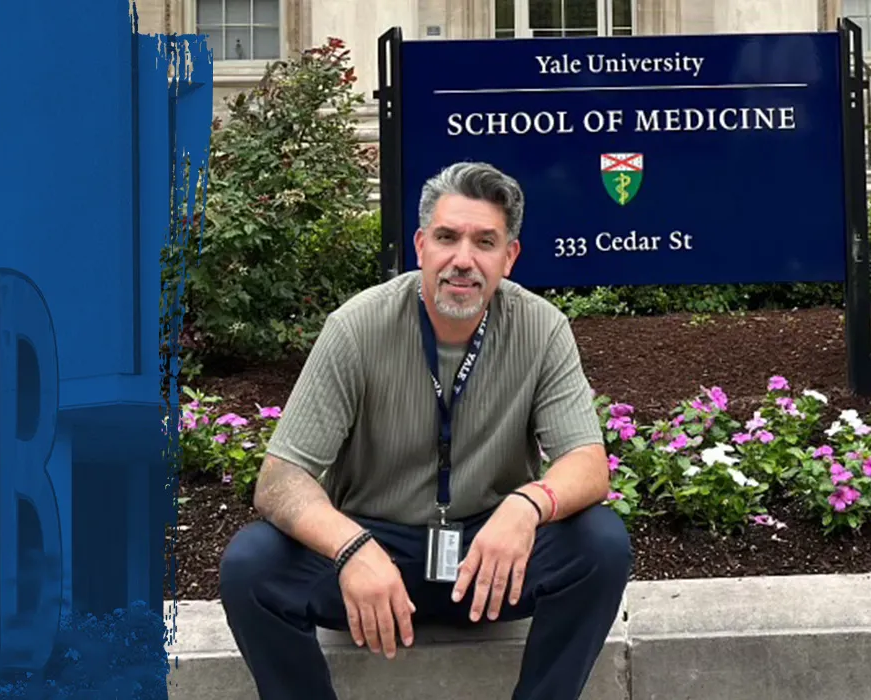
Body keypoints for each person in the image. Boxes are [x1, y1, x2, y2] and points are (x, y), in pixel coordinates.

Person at [217, 161, 631, 700]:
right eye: (447, 237)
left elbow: (588, 463)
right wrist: (350, 548)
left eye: (485, 242)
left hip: (490, 555)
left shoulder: (542, 328)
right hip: (374, 552)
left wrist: (526, 507)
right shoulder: (356, 328)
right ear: (420, 246)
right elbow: (280, 480)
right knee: (251, 567)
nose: (463, 259)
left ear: (509, 257)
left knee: (600, 545)